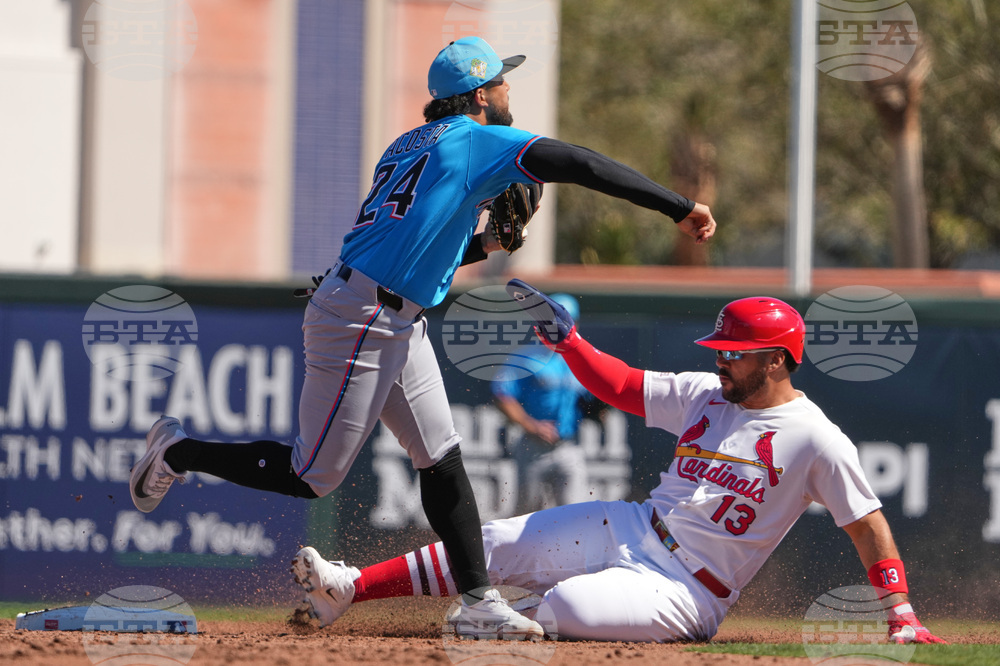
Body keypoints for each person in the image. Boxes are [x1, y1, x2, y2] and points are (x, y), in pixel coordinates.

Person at [128, 37, 716, 639]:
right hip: (363, 317)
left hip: (389, 310)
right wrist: (678, 206)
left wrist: (489, 244)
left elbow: (419, 248)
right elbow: (579, 162)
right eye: (503, 82)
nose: (510, 91)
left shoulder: (409, 144)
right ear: (481, 94)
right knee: (312, 475)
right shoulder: (474, 138)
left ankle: (481, 600)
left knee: (441, 455)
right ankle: (179, 452)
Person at [286, 283, 947, 644]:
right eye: (720, 348)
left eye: (735, 352)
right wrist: (569, 343)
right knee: (491, 543)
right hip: (628, 526)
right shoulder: (703, 394)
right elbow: (622, 386)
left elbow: (866, 525)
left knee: (567, 606)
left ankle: (508, 623)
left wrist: (900, 610)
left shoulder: (816, 439)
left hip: (688, 591)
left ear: (776, 359)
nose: (721, 358)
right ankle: (349, 588)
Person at [492, 293, 601, 512]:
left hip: (569, 446)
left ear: (575, 324)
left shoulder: (584, 358)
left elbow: (598, 402)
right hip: (533, 447)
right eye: (553, 322)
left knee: (575, 514)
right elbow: (502, 395)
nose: (560, 327)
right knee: (527, 514)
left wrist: (600, 411)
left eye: (566, 322)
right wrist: (532, 425)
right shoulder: (527, 356)